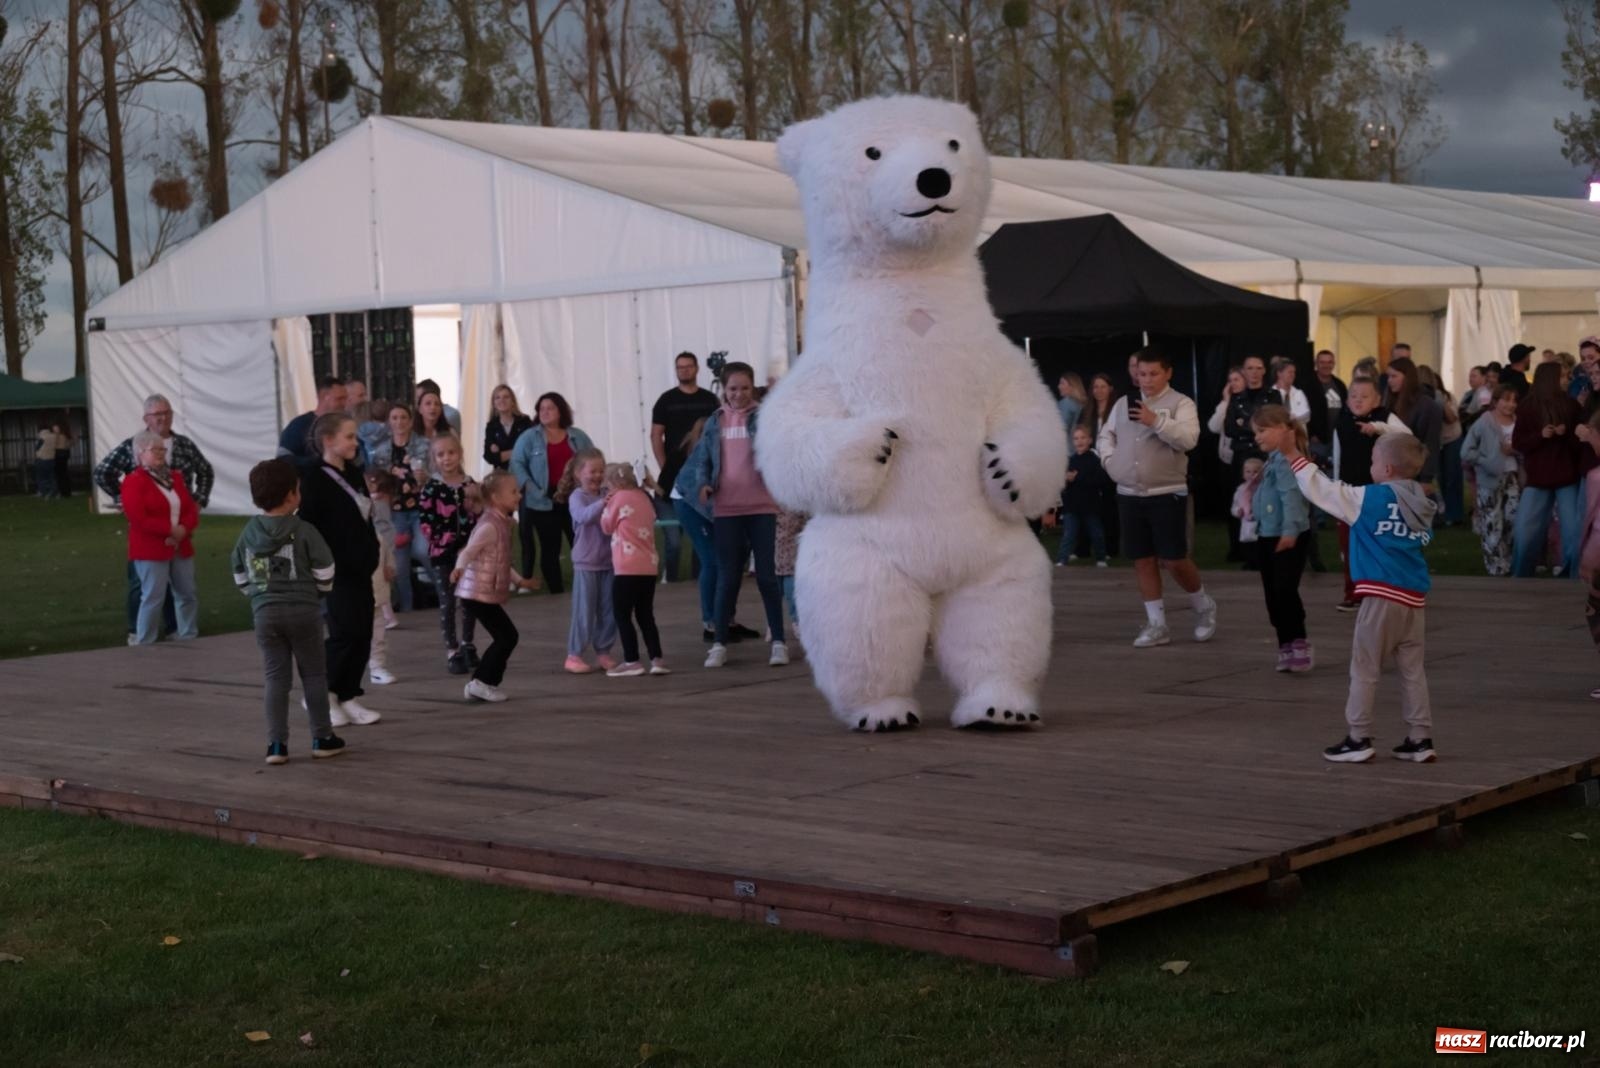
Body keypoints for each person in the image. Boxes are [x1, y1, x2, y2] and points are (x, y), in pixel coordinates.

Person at [1285, 433, 1437, 762]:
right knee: (1412, 670)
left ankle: (1358, 737)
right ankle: (1420, 738)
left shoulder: (1368, 498)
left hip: (1380, 596)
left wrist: (1293, 454)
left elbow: (1322, 490)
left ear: (1386, 468)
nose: (1370, 466)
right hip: (1413, 598)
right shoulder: (1422, 502)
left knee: (1365, 667)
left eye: (1373, 461)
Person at [1097, 347, 1217, 647]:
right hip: (1129, 493)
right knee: (1142, 559)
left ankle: (1203, 604)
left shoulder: (1181, 403)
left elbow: (1189, 440)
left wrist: (1156, 421)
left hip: (1167, 493)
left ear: (1168, 373)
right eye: (1141, 374)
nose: (1146, 380)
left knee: (1174, 559)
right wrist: (1111, 463)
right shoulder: (1123, 403)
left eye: (1153, 374)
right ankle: (1157, 624)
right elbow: (1105, 435)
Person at [231, 458, 345, 765]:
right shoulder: (304, 530)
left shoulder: (249, 532)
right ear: (292, 495)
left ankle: (276, 745)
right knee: (314, 675)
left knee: (275, 678)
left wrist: (257, 595)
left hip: (265, 614)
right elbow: (326, 568)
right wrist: (319, 592)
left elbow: (239, 571)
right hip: (304, 611)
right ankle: (322, 738)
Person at [686, 361, 789, 669]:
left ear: (752, 388)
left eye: (745, 388)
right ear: (724, 389)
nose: (739, 394)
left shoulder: (765, 417)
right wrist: (704, 484)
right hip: (727, 509)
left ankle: (779, 641)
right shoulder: (715, 421)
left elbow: (781, 447)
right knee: (728, 577)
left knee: (767, 577)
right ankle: (719, 643)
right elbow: (703, 460)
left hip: (761, 507)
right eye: (733, 388)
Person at [94, 393, 214, 640]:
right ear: (146, 418)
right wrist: (122, 498)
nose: (162, 418)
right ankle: (138, 633)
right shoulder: (134, 453)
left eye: (166, 413)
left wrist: (198, 501)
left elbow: (205, 472)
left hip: (179, 528)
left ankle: (177, 630)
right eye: (157, 414)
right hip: (149, 535)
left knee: (182, 589)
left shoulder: (182, 450)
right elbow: (103, 472)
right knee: (145, 587)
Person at [295, 412, 383, 727]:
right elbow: (307, 525)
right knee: (344, 632)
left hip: (361, 565)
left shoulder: (355, 473)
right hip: (335, 570)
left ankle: (347, 693)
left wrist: (373, 552)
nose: (355, 442)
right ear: (328, 440)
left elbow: (365, 516)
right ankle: (319, 694)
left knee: (363, 632)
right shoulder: (314, 478)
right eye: (349, 436)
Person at [453, 471, 538, 702]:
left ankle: (482, 683)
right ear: (495, 497)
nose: (519, 495)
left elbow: (501, 561)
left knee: (506, 636)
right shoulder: (490, 525)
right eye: (513, 492)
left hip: (480, 592)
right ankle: (481, 683)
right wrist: (459, 568)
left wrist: (520, 581)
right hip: (476, 592)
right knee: (506, 636)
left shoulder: (500, 523)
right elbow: (468, 551)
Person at [1330, 378, 1409, 609]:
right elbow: (1337, 457)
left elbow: (1408, 436)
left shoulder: (1386, 417)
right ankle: (1353, 592)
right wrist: (1336, 489)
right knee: (1350, 546)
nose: (1358, 400)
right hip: (1349, 493)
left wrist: (1379, 428)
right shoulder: (1342, 423)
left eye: (1364, 396)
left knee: (1378, 542)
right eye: (1353, 396)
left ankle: (1382, 590)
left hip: (1378, 494)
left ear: (1376, 400)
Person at [1248, 406, 1313, 672]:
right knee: (1273, 593)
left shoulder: (1286, 463)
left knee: (1285, 590)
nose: (1257, 437)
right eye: (1256, 432)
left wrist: (1289, 531)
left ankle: (1298, 640)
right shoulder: (1272, 461)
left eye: (1262, 431)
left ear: (1283, 430)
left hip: (1286, 536)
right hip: (1267, 535)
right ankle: (1284, 642)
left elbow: (1292, 497)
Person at [510, 391, 594, 593]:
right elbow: (517, 463)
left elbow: (592, 459)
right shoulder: (529, 437)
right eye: (541, 409)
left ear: (561, 411)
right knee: (550, 549)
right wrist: (530, 487)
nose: (545, 412)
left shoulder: (578, 436)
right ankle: (556, 591)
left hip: (575, 499)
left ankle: (587, 585)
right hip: (543, 500)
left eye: (550, 408)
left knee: (581, 544)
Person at [122, 430, 201, 645]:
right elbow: (138, 518)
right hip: (150, 548)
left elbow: (190, 509)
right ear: (140, 452)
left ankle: (189, 636)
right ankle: (145, 642)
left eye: (162, 449)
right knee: (153, 596)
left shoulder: (175, 477)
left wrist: (183, 529)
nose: (160, 453)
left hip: (180, 544)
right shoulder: (133, 481)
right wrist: (170, 530)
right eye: (154, 449)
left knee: (187, 593)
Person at [1512, 362, 1590, 578]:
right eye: (1562, 376)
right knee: (1525, 530)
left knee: (1572, 531)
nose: (1566, 380)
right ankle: (1521, 574)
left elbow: (1579, 444)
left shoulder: (1570, 406)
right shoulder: (1528, 407)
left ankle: (1573, 575)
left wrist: (1567, 434)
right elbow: (1519, 442)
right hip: (1539, 477)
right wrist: (1540, 436)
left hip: (1565, 476)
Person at [650, 353, 722, 583]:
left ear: (697, 368)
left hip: (702, 476)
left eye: (688, 366)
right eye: (679, 367)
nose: (684, 371)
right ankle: (671, 580)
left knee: (701, 538)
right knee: (674, 541)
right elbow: (656, 434)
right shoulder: (666, 400)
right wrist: (665, 467)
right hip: (674, 472)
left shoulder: (709, 399)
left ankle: (697, 580)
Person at [419, 434, 482, 675]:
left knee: (469, 599)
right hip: (443, 554)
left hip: (468, 552)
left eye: (451, 453)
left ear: (460, 454)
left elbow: (478, 515)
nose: (447, 458)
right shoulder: (431, 488)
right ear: (434, 459)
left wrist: (471, 543)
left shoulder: (469, 484)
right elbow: (426, 521)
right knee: (447, 601)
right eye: (441, 454)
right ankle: (452, 650)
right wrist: (443, 541)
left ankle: (468, 644)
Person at [601, 463, 669, 676]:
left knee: (622, 614)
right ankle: (657, 659)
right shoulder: (644, 497)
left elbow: (606, 526)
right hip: (648, 566)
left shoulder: (618, 498)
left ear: (615, 483)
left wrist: (607, 505)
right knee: (645, 615)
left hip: (626, 567)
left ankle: (632, 660)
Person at [557, 448, 619, 673]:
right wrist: (603, 503)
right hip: (586, 563)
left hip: (609, 562)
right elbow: (583, 516)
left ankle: (603, 651)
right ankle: (574, 655)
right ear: (578, 473)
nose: (597, 475)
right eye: (592, 471)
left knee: (609, 610)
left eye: (601, 471)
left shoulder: (607, 493)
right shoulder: (577, 497)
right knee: (584, 610)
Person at [372, 404, 433, 611]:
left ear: (410, 420)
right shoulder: (381, 451)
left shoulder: (424, 445)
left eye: (403, 417)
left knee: (423, 551)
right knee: (400, 566)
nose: (399, 422)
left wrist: (425, 477)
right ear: (389, 422)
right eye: (395, 418)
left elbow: (435, 473)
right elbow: (375, 480)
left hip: (420, 508)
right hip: (395, 511)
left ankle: (446, 595)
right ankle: (407, 609)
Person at [1461, 386, 1522, 576]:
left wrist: (1515, 451)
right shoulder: (1484, 422)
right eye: (1506, 400)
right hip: (1490, 478)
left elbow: (1524, 448)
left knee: (1513, 518)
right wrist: (1485, 461)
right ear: (1496, 401)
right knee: (1492, 521)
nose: (1510, 404)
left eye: (1514, 401)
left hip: (1512, 476)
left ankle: (1508, 558)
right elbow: (1466, 451)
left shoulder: (1517, 422)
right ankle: (1496, 565)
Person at [1222, 355, 1272, 563]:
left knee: (1266, 499)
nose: (1254, 372)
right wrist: (1255, 428)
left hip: (1264, 453)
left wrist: (1245, 425)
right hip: (1241, 455)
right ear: (1244, 371)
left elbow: (1274, 423)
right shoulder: (1236, 398)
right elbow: (1229, 429)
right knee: (1239, 498)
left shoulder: (1273, 395)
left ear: (1264, 371)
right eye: (1250, 368)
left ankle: (1265, 546)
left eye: (1258, 368)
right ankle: (1239, 549)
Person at [1056, 424, 1110, 567]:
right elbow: (1064, 484)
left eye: (1083, 438)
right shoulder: (1070, 460)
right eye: (1076, 438)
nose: (1079, 441)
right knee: (1069, 534)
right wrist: (1066, 480)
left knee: (1096, 533)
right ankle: (1062, 559)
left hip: (1090, 505)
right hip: (1072, 506)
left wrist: (1077, 478)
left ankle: (1101, 558)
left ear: (1090, 440)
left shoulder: (1095, 460)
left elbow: (1100, 481)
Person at [1385, 357, 1442, 490]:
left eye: (1394, 376)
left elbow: (1430, 443)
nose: (1389, 380)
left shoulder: (1427, 406)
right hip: (1392, 470)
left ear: (1407, 378)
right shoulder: (1390, 402)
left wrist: (1426, 478)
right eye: (1388, 376)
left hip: (1415, 472)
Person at [1417, 365, 1464, 526]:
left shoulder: (1443, 397)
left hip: (1449, 439)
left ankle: (1453, 513)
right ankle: (1447, 512)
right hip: (1437, 441)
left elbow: (1452, 418)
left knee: (1450, 477)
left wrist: (1442, 402)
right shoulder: (1424, 397)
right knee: (1442, 478)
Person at [365, 470, 399, 684]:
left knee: (378, 631)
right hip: (355, 590)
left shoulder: (379, 532)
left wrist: (389, 565)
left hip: (377, 589)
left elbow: (386, 547)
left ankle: (377, 666)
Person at [279, 376, 349, 458]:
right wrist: (312, 464)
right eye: (339, 399)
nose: (344, 403)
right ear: (324, 397)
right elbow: (282, 457)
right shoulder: (299, 425)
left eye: (345, 399)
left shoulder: (345, 424)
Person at [774, 508, 809, 643]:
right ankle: (796, 621)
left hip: (776, 546)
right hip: (790, 549)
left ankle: (773, 624)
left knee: (775, 587)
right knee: (790, 585)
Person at [483, 383, 534, 473]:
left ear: (513, 401)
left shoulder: (525, 421)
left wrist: (501, 455)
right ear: (494, 404)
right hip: (502, 475)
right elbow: (489, 457)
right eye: (497, 397)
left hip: (525, 472)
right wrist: (517, 451)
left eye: (506, 397)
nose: (502, 400)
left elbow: (531, 449)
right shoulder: (491, 426)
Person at [1307, 350, 1347, 456]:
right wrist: (1311, 434)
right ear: (1316, 363)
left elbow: (1346, 409)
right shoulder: (1307, 385)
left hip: (1337, 438)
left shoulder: (1340, 385)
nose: (1326, 365)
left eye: (1329, 362)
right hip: (1317, 441)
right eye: (1322, 362)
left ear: (1333, 364)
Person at [1267, 356, 1311, 426]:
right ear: (1279, 373)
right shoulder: (1269, 394)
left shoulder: (1299, 393)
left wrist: (1292, 420)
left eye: (1294, 372)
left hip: (1297, 431)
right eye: (1290, 372)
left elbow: (1306, 416)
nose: (1293, 375)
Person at [1056, 372, 1087, 449]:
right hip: (1077, 448)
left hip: (1064, 449)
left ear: (1072, 386)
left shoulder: (1066, 402)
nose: (1059, 386)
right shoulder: (1081, 404)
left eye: (1062, 383)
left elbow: (1060, 429)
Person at [33, 421, 59, 498]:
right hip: (51, 459)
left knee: (41, 478)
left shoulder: (41, 437)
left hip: (41, 459)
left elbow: (37, 448)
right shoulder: (53, 436)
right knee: (51, 477)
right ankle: (54, 492)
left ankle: (43, 492)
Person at [52, 420, 73, 497]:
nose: (54, 430)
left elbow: (54, 445)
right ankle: (67, 491)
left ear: (59, 428)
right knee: (64, 473)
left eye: (55, 428)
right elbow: (70, 443)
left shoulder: (58, 436)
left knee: (60, 474)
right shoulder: (65, 435)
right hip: (64, 454)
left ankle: (62, 491)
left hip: (59, 454)